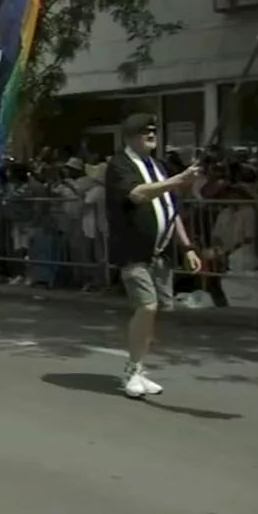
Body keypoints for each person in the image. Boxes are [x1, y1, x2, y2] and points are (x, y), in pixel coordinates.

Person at [104, 113, 202, 398]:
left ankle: (140, 368)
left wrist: (187, 247)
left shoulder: (158, 167)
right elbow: (137, 195)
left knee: (155, 311)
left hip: (160, 254)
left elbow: (171, 212)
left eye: (153, 131)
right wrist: (178, 180)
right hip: (133, 252)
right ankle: (132, 370)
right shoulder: (119, 165)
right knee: (146, 307)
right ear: (129, 136)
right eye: (143, 131)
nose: (150, 134)